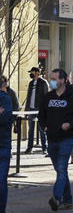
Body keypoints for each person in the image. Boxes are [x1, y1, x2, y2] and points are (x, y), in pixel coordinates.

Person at [38, 69, 73, 211]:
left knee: (61, 169)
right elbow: (41, 114)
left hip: (66, 139)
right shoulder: (48, 97)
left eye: (55, 79)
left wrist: (71, 124)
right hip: (52, 139)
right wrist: (44, 127)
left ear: (63, 80)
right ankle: (68, 199)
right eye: (51, 79)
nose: (52, 81)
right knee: (61, 171)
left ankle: (56, 198)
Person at [25, 67, 49, 154]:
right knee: (30, 129)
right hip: (31, 109)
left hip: (40, 110)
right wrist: (26, 110)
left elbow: (47, 97)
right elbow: (28, 97)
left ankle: (44, 148)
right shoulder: (31, 83)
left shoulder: (43, 82)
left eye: (32, 72)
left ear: (38, 73)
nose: (31, 73)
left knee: (42, 129)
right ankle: (29, 147)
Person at [0, 76, 13, 213]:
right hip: (4, 144)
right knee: (2, 180)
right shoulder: (6, 99)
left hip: (3, 143)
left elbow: (3, 118)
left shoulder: (6, 99)